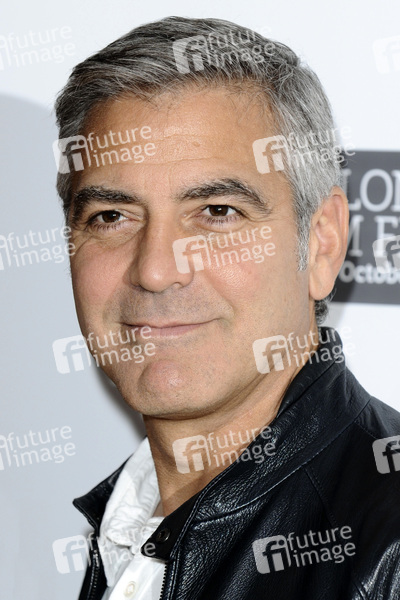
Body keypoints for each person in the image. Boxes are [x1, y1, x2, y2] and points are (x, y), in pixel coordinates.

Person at [54, 16, 400, 600]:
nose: (155, 269)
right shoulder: (126, 519)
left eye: (217, 212)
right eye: (111, 216)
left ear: (321, 244)